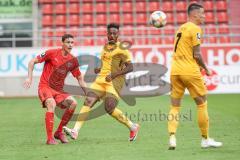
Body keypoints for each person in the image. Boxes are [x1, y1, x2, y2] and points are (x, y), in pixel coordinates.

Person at [63, 23, 140, 141]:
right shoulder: (104, 47)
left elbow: (130, 67)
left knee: (109, 108)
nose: (112, 35)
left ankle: (132, 126)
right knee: (88, 100)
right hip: (100, 80)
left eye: (115, 33)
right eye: (110, 33)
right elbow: (105, 64)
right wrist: (98, 69)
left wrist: (114, 74)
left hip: (114, 82)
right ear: (107, 34)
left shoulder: (123, 49)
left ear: (118, 34)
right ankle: (75, 131)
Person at [167, 3, 222, 149]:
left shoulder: (181, 28)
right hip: (189, 71)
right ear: (195, 14)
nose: (204, 16)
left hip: (175, 70)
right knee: (202, 103)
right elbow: (196, 54)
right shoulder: (196, 29)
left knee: (175, 106)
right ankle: (205, 139)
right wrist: (206, 68)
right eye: (202, 13)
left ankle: (172, 136)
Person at [23, 34, 87, 145]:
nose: (70, 44)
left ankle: (58, 132)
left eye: (72, 42)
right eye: (68, 42)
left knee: (73, 103)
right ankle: (49, 139)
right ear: (62, 43)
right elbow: (32, 61)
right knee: (51, 103)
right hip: (45, 86)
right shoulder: (51, 53)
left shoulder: (72, 60)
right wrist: (29, 78)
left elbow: (80, 78)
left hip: (58, 90)